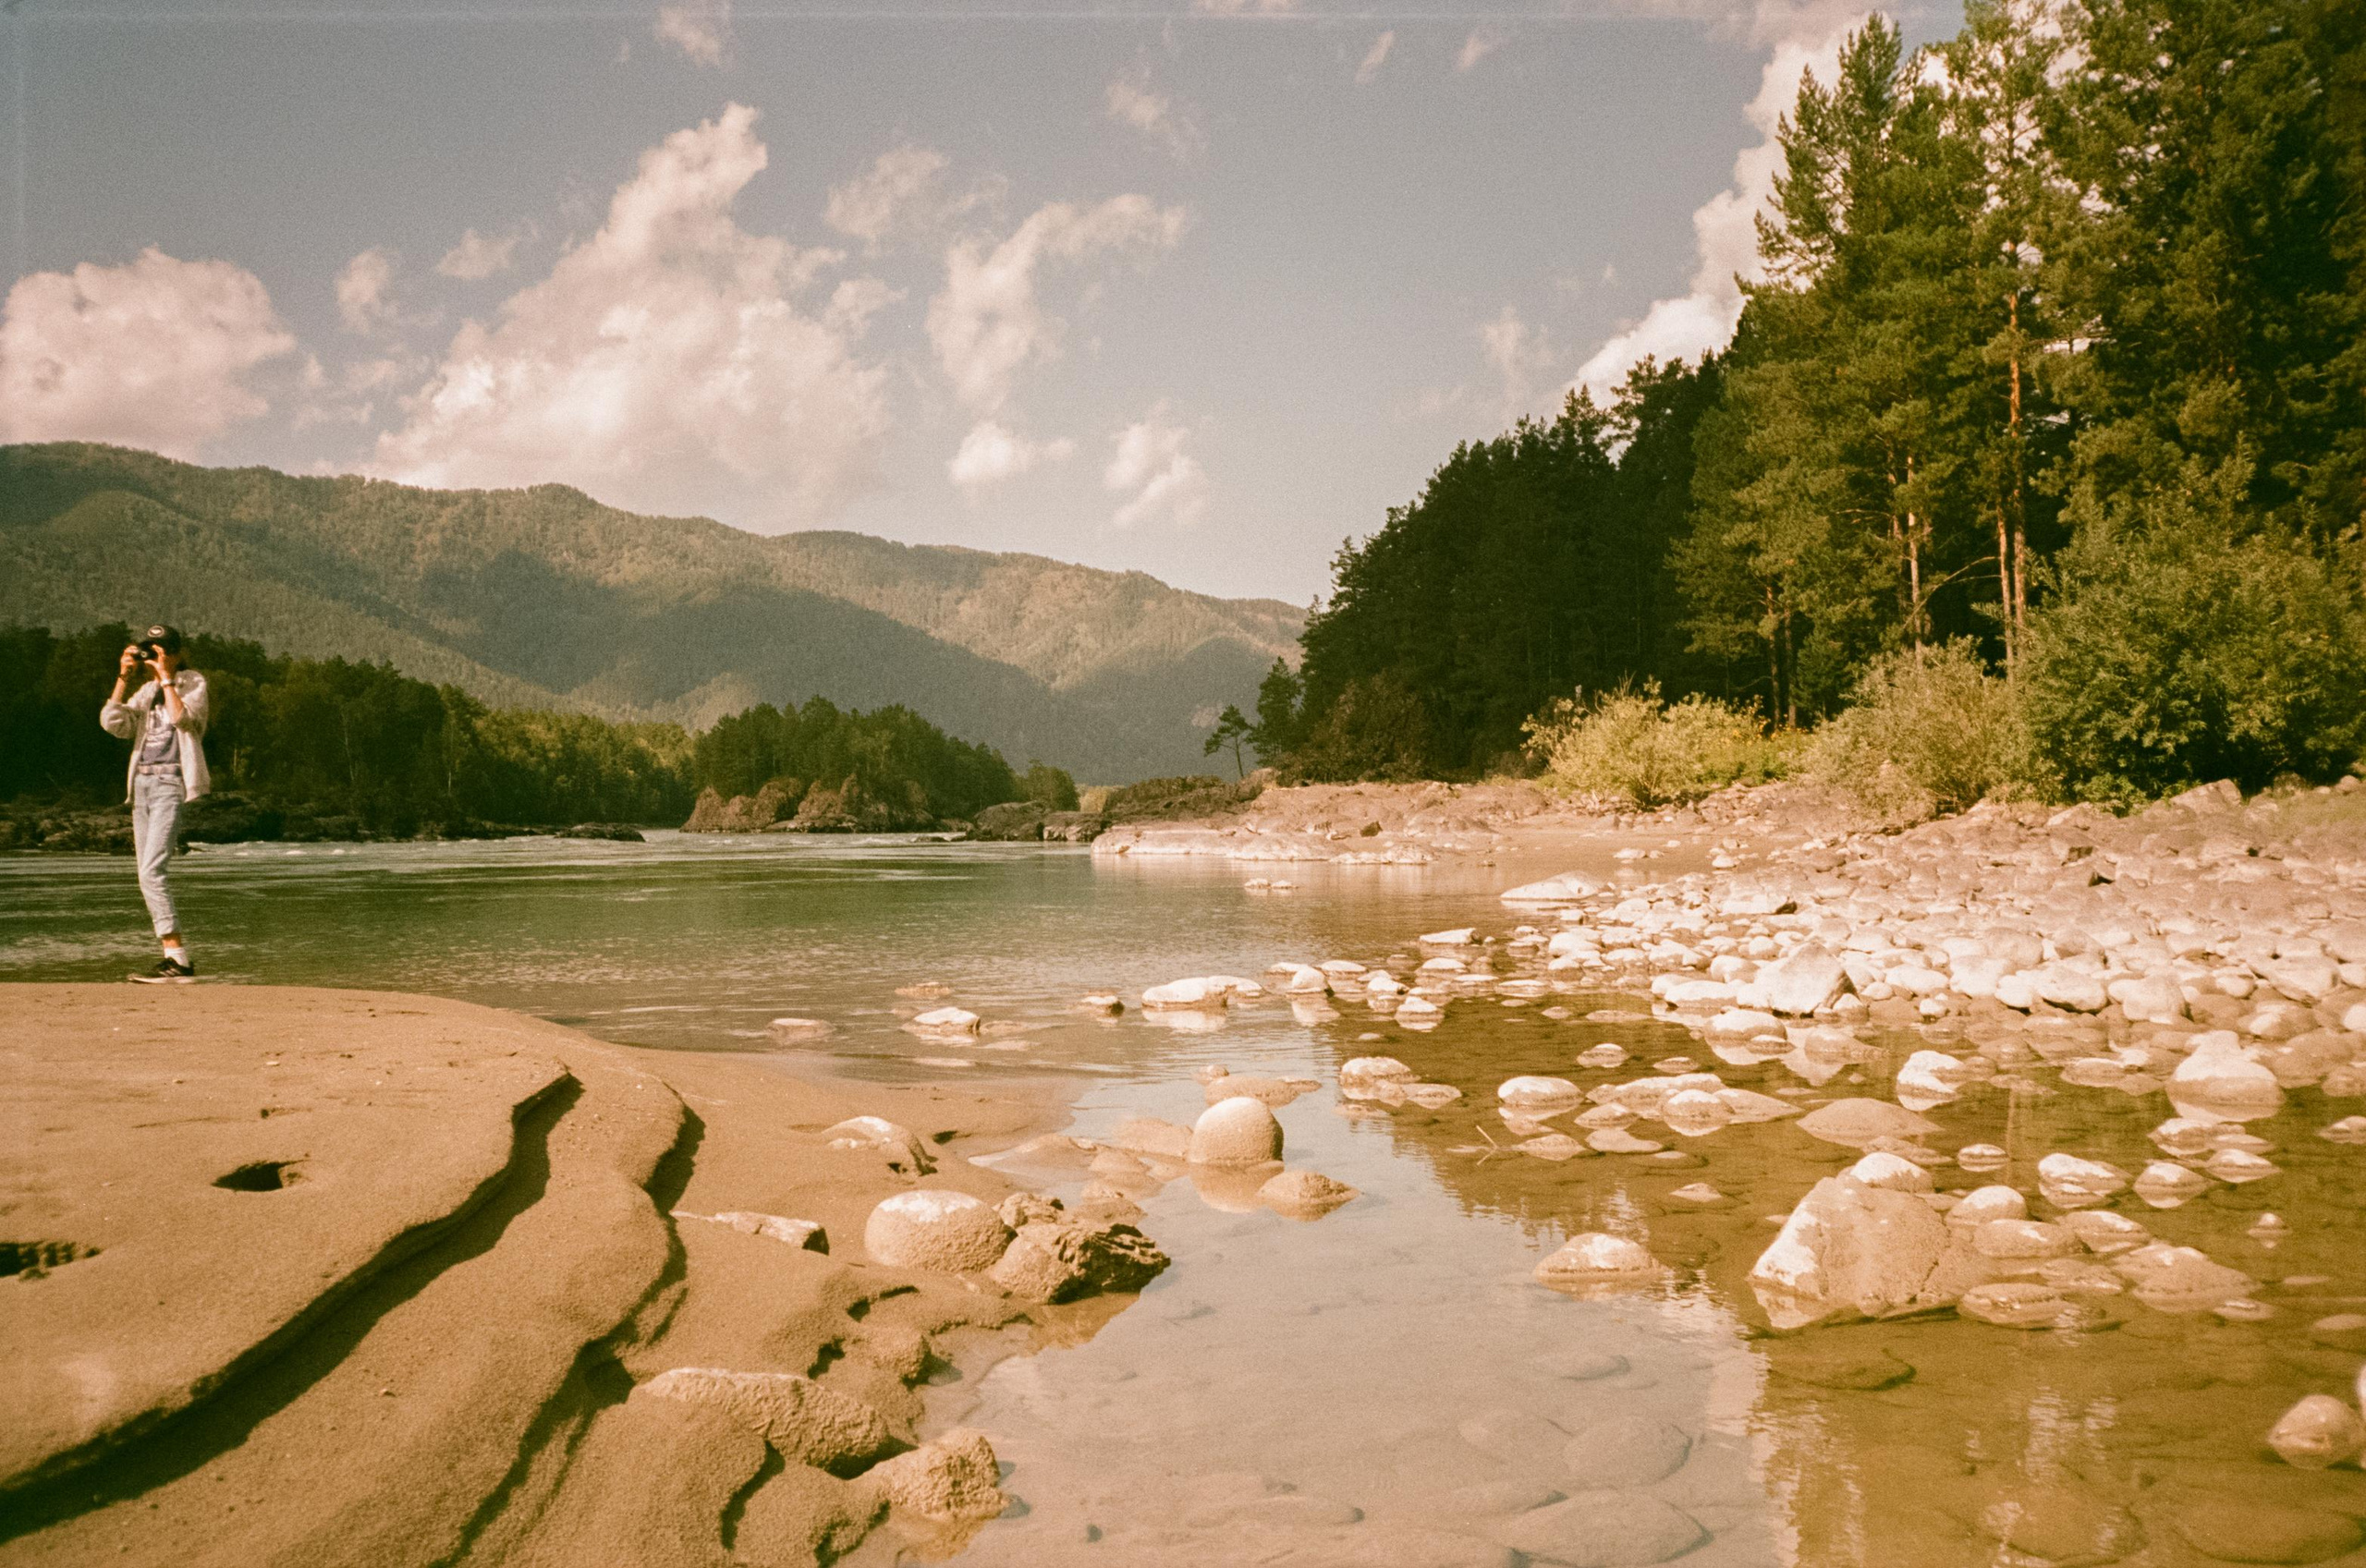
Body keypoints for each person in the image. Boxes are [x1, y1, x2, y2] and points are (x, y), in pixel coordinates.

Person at [99, 624, 212, 982]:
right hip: (142, 784)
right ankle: (173, 957)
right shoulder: (145, 691)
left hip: (169, 782)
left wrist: (166, 678)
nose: (155, 655)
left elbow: (184, 720)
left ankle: (178, 959)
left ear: (177, 653)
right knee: (145, 873)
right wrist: (124, 677)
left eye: (161, 650)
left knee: (152, 871)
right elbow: (112, 724)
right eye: (150, 649)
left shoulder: (193, 683)